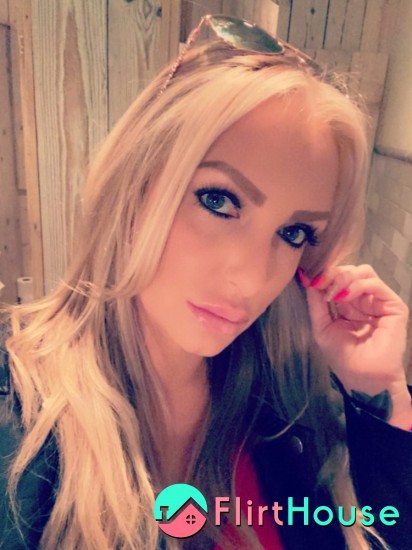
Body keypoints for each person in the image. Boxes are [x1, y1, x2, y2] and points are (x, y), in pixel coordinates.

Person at [1, 14, 411, 550]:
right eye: (218, 200)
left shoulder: (286, 404)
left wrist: (382, 393)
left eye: (293, 233)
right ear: (136, 185)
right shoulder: (15, 412)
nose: (252, 278)